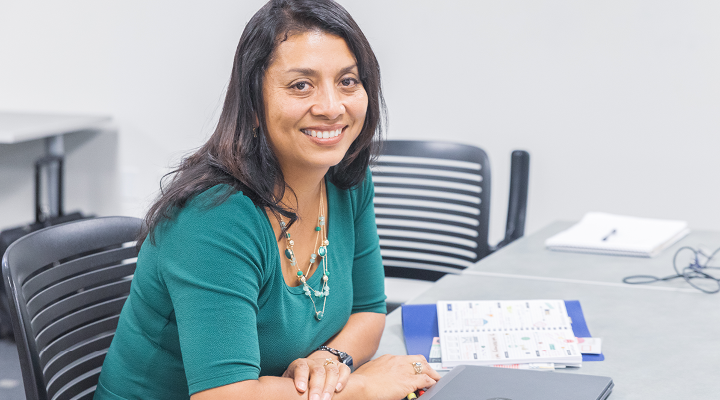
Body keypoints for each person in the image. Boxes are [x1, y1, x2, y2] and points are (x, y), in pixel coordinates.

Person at [95, 0, 441, 399]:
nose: (331, 107)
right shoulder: (213, 218)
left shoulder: (347, 181)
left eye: (348, 81)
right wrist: (364, 387)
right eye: (301, 85)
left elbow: (368, 311)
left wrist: (328, 363)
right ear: (253, 103)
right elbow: (226, 396)